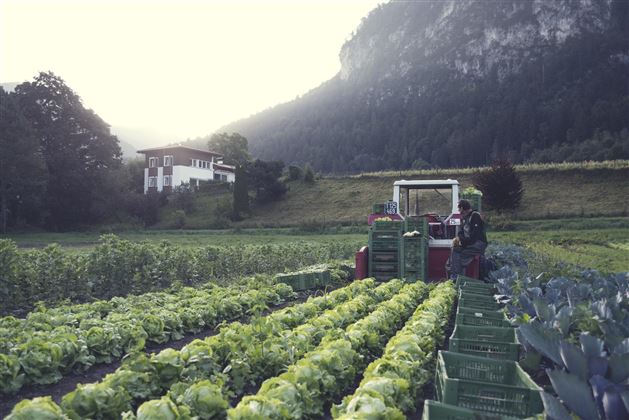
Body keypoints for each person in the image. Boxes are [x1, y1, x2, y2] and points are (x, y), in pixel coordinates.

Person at [446, 199, 488, 280]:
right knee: (454, 253)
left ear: (462, 208)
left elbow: (474, 236)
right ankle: (457, 276)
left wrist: (463, 242)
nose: (459, 211)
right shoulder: (465, 218)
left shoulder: (475, 216)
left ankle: (456, 277)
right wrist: (458, 239)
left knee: (457, 256)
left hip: (478, 244)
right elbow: (461, 232)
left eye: (459, 209)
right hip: (471, 243)